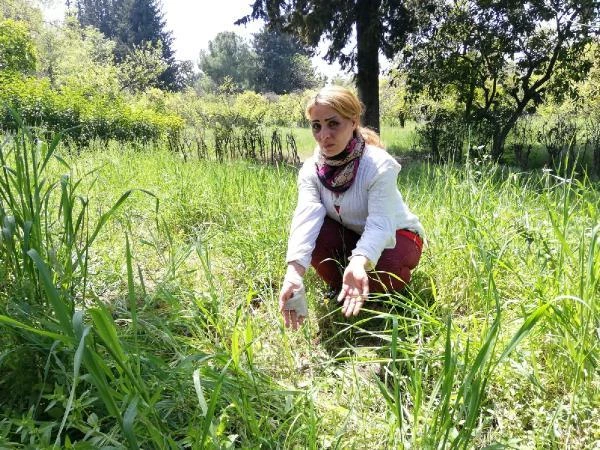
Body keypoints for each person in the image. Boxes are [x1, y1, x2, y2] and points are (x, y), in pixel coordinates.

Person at [279, 85, 425, 330]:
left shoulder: (378, 165)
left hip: (398, 234)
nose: (324, 135)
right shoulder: (311, 170)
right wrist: (293, 273)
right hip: (352, 235)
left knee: (386, 271)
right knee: (317, 234)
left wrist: (358, 262)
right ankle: (345, 289)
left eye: (333, 124)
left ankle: (382, 292)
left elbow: (381, 224)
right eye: (316, 125)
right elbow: (306, 219)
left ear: (353, 121)